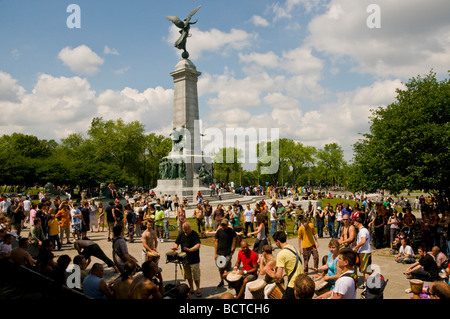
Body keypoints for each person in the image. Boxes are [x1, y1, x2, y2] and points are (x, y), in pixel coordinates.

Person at [173, 222, 202, 297]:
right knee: (188, 275)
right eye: (185, 231)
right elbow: (176, 242)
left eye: (187, 230)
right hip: (185, 259)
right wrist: (175, 247)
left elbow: (198, 245)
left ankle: (198, 288)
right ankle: (191, 288)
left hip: (194, 258)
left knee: (196, 275)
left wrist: (190, 250)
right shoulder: (181, 234)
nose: (186, 232)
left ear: (190, 228)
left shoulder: (194, 234)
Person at [273, 231, 303, 299]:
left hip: (293, 285)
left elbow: (278, 276)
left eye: (275, 242)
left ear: (278, 241)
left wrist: (270, 272)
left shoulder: (281, 254)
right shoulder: (295, 249)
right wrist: (285, 273)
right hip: (302, 282)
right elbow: (294, 265)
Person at [214, 218, 237, 287]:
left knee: (228, 268)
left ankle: (229, 282)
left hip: (227, 253)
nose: (223, 226)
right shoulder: (219, 231)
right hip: (220, 253)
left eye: (224, 225)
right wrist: (215, 253)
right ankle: (222, 281)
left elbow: (237, 238)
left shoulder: (231, 231)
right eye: (222, 225)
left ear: (227, 224)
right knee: (221, 268)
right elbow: (216, 242)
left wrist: (234, 248)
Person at [353, 216, 372, 289]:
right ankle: (365, 283)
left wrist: (356, 247)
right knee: (365, 270)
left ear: (357, 222)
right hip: (365, 252)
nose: (354, 224)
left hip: (364, 252)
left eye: (354, 222)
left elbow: (363, 241)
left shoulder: (363, 231)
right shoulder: (362, 230)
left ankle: (367, 286)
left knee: (366, 270)